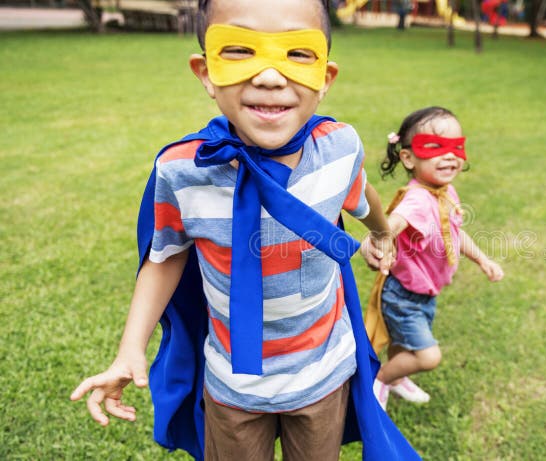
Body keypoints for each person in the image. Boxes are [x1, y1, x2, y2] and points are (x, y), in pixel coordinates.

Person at [69, 0, 421, 460]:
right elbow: (166, 257)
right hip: (232, 383)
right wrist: (130, 348)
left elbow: (362, 194)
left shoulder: (338, 148)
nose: (270, 77)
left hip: (321, 372)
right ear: (205, 72)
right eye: (239, 50)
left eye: (297, 53)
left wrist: (379, 232)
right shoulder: (183, 170)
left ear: (325, 78)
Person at [365, 106, 504, 410]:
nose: (450, 155)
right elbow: (392, 225)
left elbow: (454, 233)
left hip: (423, 292)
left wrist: (483, 260)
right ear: (408, 157)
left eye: (457, 147)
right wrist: (376, 238)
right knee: (427, 356)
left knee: (403, 344)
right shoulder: (417, 199)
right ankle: (378, 382)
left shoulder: (444, 192)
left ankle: (397, 378)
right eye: (435, 147)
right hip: (403, 294)